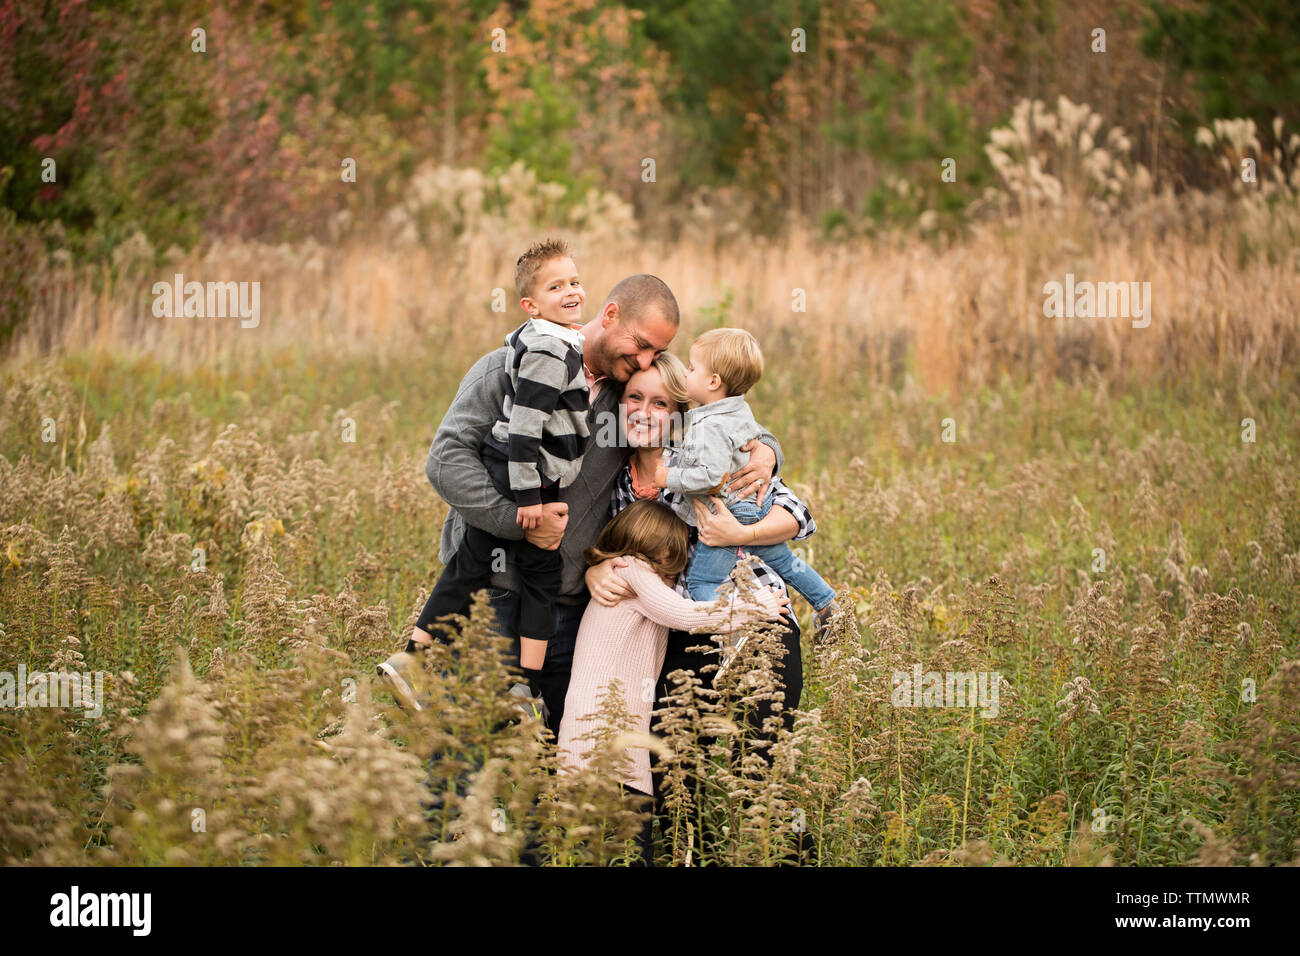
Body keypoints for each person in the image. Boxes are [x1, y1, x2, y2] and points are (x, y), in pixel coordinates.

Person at [378, 273, 785, 733]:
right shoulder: (511, 367)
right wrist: (519, 521)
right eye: (642, 344)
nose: (646, 359)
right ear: (610, 315)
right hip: (491, 589)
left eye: (655, 352)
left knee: (551, 756)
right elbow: (446, 461)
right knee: (460, 744)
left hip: (569, 608)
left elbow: (710, 410)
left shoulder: (626, 395)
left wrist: (767, 448)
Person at [388, 239, 589, 698]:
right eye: (557, 286)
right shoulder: (547, 353)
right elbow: (521, 429)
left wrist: (765, 451)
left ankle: (414, 656)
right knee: (537, 576)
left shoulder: (551, 342)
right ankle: (525, 688)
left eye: (575, 282)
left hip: (524, 481)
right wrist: (527, 508)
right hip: (525, 482)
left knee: (470, 563)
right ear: (531, 305)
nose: (572, 291)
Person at [557, 499, 786, 861]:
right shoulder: (631, 569)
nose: (676, 572)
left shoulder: (621, 572)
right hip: (603, 748)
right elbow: (685, 614)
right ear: (659, 549)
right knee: (626, 851)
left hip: (601, 749)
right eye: (674, 556)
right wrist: (759, 606)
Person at [652, 327, 842, 640]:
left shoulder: (707, 426)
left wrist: (667, 477)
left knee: (702, 583)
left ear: (713, 381)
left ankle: (736, 633)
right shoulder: (738, 408)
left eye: (691, 368)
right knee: (783, 559)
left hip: (728, 514)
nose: (686, 373)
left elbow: (711, 477)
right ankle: (828, 605)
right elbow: (755, 438)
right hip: (755, 504)